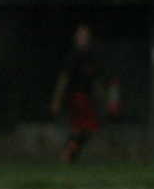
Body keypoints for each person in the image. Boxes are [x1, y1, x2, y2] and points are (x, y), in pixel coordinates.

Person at [50, 23, 120, 164]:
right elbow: (64, 79)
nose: (82, 38)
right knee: (83, 128)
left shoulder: (92, 56)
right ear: (76, 38)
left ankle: (68, 155)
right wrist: (56, 100)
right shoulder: (73, 57)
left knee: (85, 129)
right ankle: (67, 155)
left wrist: (107, 100)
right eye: (80, 35)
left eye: (85, 36)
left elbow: (97, 80)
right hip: (76, 97)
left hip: (88, 98)